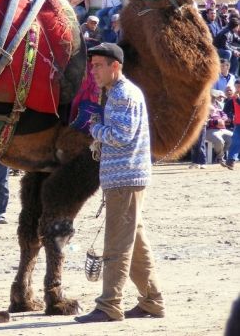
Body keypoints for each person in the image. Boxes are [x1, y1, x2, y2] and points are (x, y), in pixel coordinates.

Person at [76, 43, 165, 323]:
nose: (94, 72)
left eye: (99, 66)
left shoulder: (121, 94)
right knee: (135, 245)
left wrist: (94, 128)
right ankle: (152, 301)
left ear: (116, 66)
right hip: (129, 177)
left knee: (116, 245)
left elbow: (120, 135)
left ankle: (109, 305)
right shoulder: (123, 92)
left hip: (123, 179)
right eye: (92, 67)